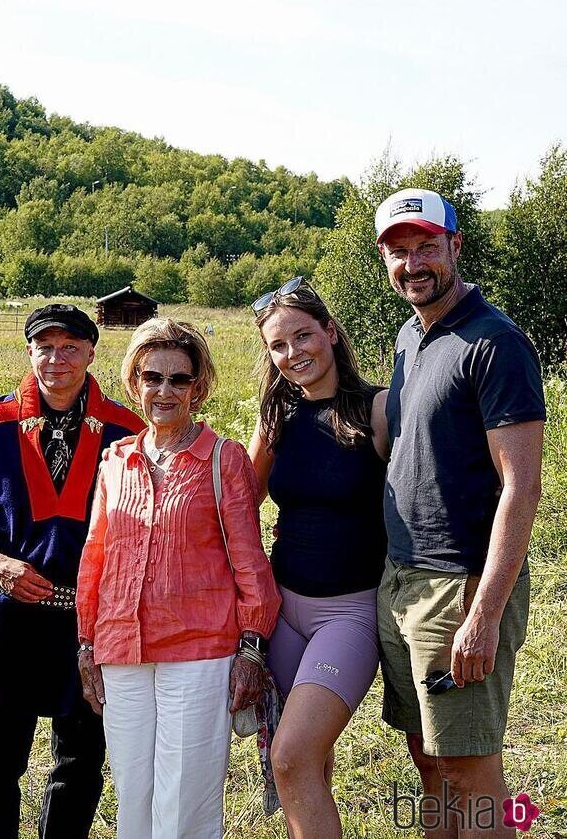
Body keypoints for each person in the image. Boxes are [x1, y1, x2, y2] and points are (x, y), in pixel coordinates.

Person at [374, 188, 545, 836]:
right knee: (430, 761)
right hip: (403, 582)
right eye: (398, 250)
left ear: (455, 246)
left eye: (426, 246)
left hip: (460, 588)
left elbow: (521, 488)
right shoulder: (411, 337)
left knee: (472, 771)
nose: (412, 263)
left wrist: (484, 616)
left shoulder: (495, 342)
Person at [0, 304, 144, 839]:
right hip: (8, 616)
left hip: (92, 620)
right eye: (45, 346)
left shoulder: (128, 430)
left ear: (92, 353)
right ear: (29, 352)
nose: (57, 358)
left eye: (70, 347)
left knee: (79, 763)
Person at [76, 318, 281, 839]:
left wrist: (252, 650)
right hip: (121, 650)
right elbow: (96, 558)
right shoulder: (115, 461)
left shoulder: (222, 458)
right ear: (134, 382)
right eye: (152, 377)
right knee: (133, 798)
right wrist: (85, 644)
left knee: (184, 804)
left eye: (179, 379)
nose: (164, 390)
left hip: (199, 652)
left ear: (199, 386)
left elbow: (249, 562)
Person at [247, 277, 389, 839]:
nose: (292, 354)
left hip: (348, 615)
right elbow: (242, 503)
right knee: (309, 764)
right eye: (278, 346)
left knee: (292, 755)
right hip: (283, 613)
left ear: (330, 332)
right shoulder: (277, 417)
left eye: (303, 336)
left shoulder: (377, 408)